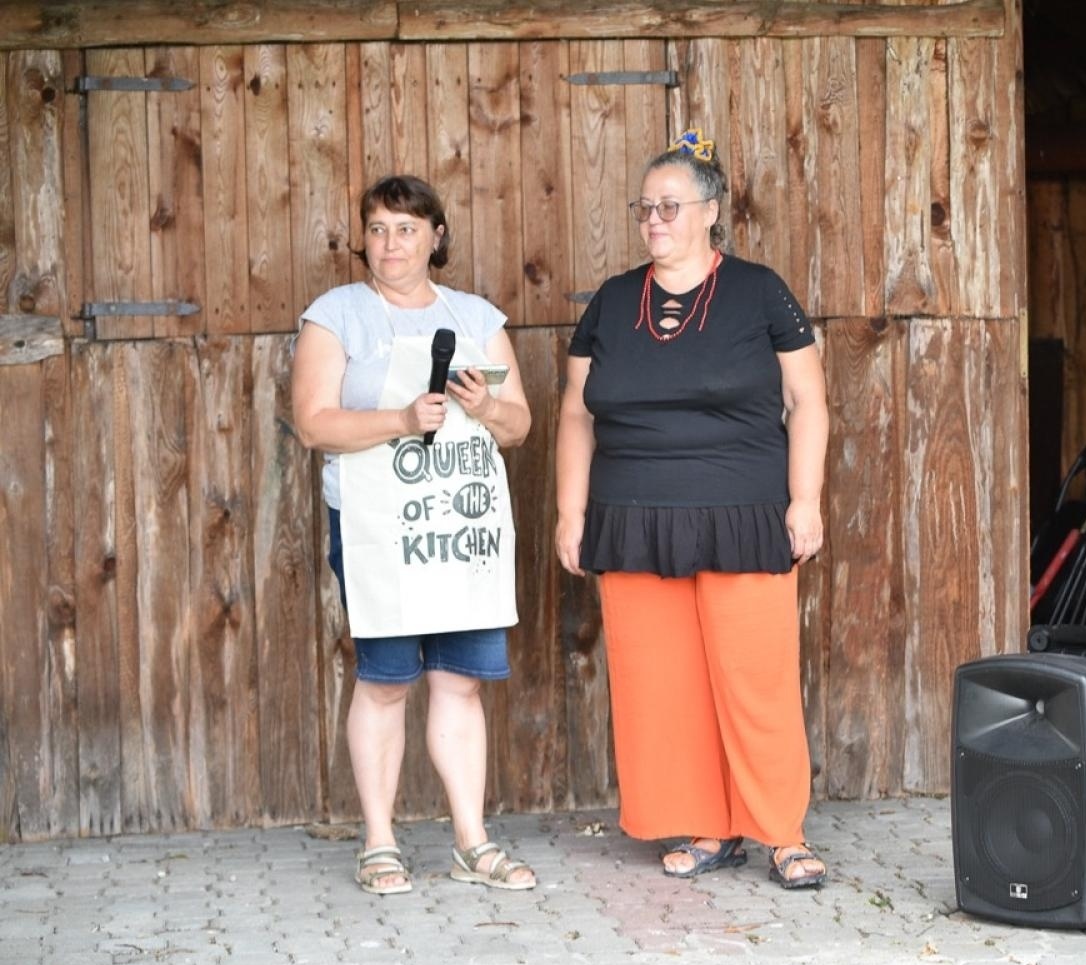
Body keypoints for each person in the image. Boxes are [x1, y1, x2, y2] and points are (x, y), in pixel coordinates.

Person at [555, 130, 830, 889]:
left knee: (755, 677)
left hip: (741, 511)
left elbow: (809, 401)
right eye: (646, 207)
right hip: (632, 515)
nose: (655, 219)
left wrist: (804, 499)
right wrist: (569, 514)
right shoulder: (612, 302)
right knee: (662, 686)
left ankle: (781, 832)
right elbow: (576, 414)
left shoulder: (759, 290)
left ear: (711, 211)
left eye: (670, 206)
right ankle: (707, 827)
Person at [291, 175, 538, 895]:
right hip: (378, 527)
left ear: (436, 237)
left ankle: (472, 841)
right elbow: (313, 422)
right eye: (377, 228)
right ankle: (379, 843)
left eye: (405, 228)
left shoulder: (475, 315)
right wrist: (400, 421)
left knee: (459, 684)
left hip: (457, 525)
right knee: (388, 680)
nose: (390, 243)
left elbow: (518, 426)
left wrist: (485, 403)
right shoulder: (337, 314)